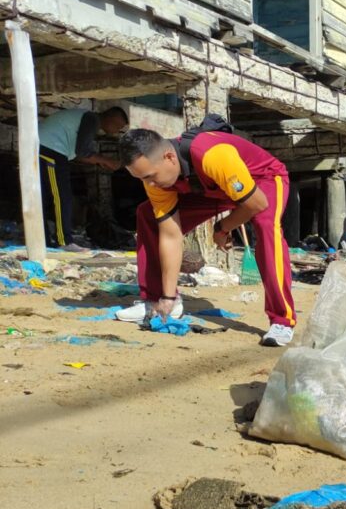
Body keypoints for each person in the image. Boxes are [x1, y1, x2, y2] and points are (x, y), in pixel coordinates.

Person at [115, 128, 297, 346]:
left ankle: (282, 321)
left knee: (267, 226)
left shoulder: (213, 156)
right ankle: (159, 301)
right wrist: (168, 296)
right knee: (148, 214)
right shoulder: (155, 180)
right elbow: (170, 236)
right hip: (212, 190)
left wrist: (223, 227)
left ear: (170, 157)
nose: (149, 184)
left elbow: (257, 204)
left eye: (150, 176)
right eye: (142, 178)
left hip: (261, 181)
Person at [38, 107, 128, 249]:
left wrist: (100, 161)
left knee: (41, 198)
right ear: (110, 118)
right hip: (51, 150)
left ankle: (43, 241)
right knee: (62, 197)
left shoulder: (85, 118)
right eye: (118, 126)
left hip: (42, 148)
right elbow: (83, 151)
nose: (117, 131)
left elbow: (80, 154)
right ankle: (64, 241)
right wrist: (107, 161)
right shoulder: (92, 119)